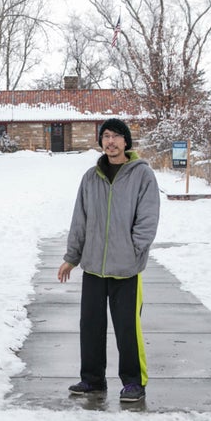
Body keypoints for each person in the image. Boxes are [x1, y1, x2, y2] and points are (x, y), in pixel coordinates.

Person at [57, 118, 160, 403]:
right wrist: (71, 257)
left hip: (126, 269)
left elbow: (148, 220)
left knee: (128, 328)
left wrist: (134, 251)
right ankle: (92, 380)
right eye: (106, 136)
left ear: (126, 142)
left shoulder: (142, 175)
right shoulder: (91, 177)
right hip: (93, 267)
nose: (110, 141)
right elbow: (80, 220)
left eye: (116, 136)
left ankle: (133, 383)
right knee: (90, 325)